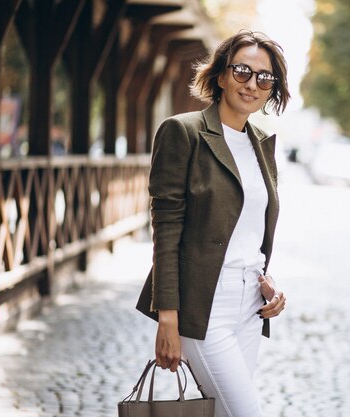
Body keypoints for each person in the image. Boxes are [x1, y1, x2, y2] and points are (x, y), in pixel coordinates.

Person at [136, 30, 290, 417]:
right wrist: (167, 316)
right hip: (205, 306)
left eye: (264, 77)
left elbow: (250, 231)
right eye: (241, 71)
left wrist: (267, 284)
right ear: (221, 75)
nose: (252, 83)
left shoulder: (262, 144)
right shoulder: (183, 132)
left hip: (252, 306)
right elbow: (166, 230)